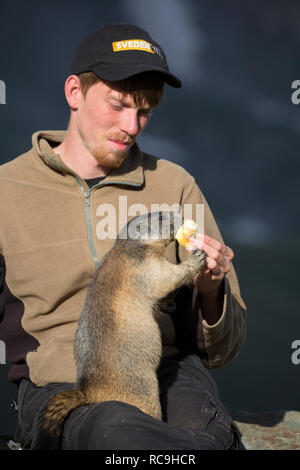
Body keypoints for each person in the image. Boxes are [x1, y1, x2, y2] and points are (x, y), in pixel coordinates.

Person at [0, 23, 246, 450]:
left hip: (168, 371)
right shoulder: (7, 189)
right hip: (68, 384)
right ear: (74, 92)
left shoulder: (174, 184)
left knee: (208, 438)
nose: (131, 125)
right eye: (117, 105)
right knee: (118, 433)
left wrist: (212, 289)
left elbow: (225, 347)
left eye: (145, 111)